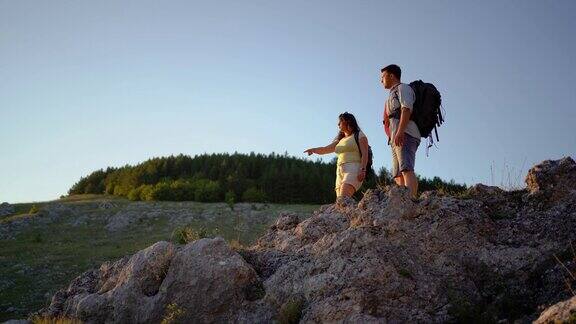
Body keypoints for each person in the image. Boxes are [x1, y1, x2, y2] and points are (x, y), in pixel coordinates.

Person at [304, 112, 369, 199]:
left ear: (347, 121)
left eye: (340, 121)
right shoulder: (339, 140)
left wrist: (363, 170)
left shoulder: (359, 135)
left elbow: (365, 154)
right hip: (339, 173)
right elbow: (325, 149)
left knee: (343, 199)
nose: (338, 124)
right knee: (340, 204)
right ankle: (353, 212)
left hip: (354, 169)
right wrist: (313, 150)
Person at [381, 64, 420, 199]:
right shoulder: (391, 95)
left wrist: (400, 131)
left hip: (406, 133)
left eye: (383, 77)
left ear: (391, 75)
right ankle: (402, 201)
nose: (381, 80)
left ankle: (411, 200)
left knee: (406, 168)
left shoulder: (403, 88)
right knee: (397, 173)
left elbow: (406, 109)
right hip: (395, 137)